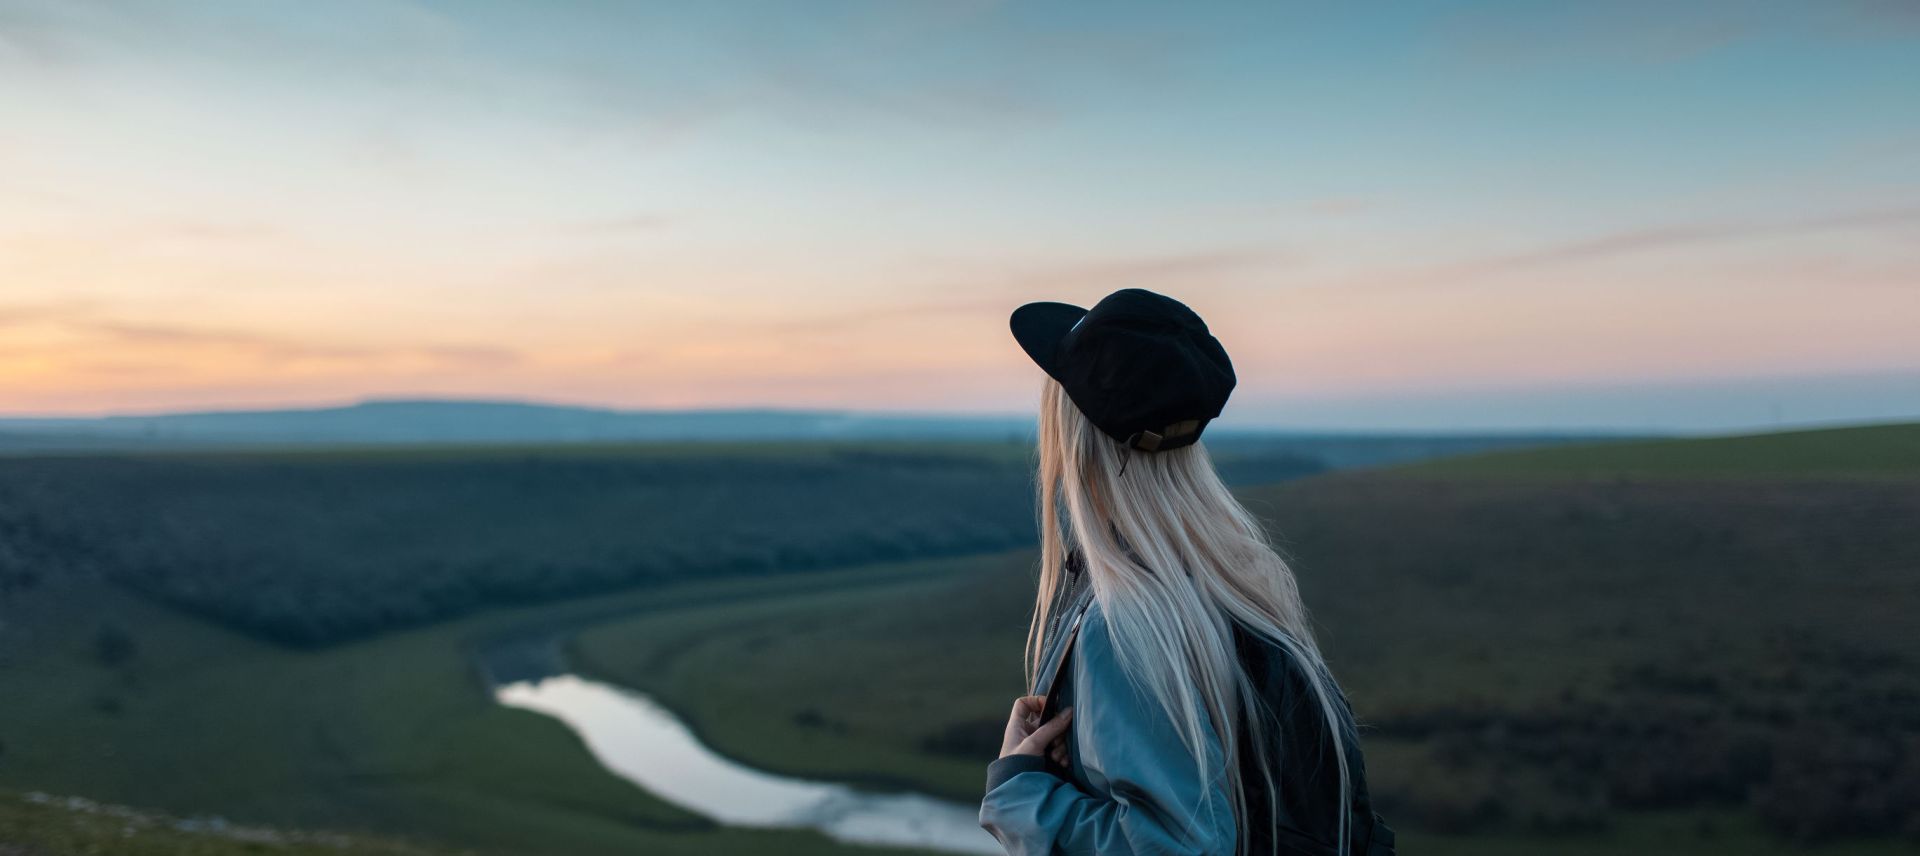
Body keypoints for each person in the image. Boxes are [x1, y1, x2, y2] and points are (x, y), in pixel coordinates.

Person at [979, 289, 1395, 856]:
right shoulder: (1241, 586)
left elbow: (1180, 845)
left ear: (1074, 442)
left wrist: (1020, 794)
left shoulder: (1124, 625)